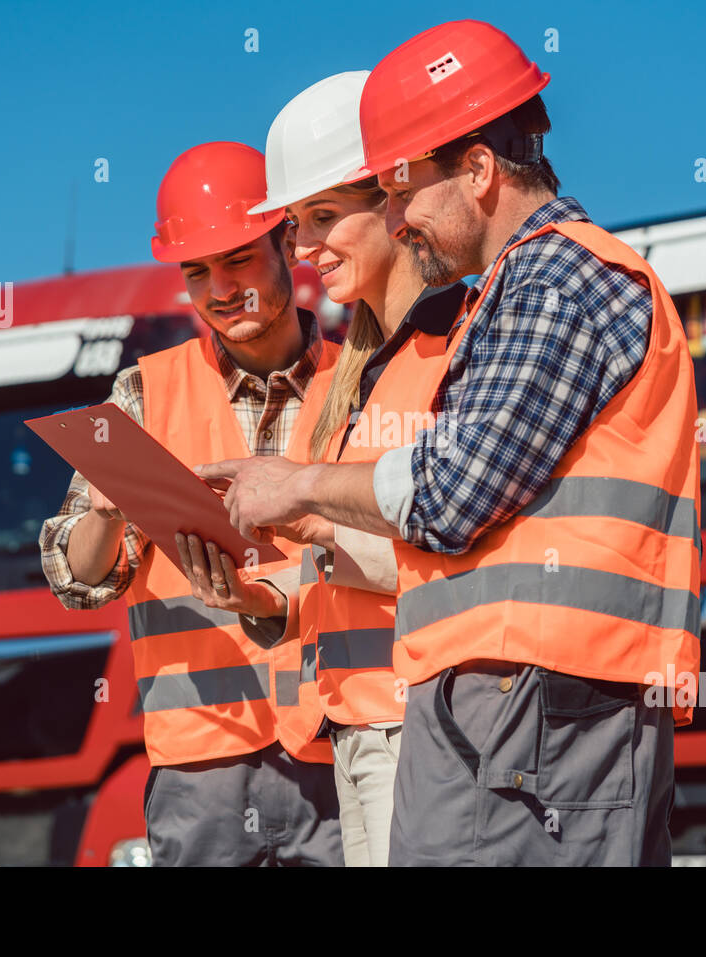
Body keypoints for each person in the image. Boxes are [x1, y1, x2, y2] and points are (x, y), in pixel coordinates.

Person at [200, 20, 702, 866]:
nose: (396, 219)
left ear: (476, 169)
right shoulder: (524, 287)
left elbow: (451, 492)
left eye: (401, 192)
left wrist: (299, 488)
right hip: (521, 705)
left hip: (538, 705)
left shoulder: (557, 281)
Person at [38, 141, 342, 866]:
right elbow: (75, 581)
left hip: (341, 741)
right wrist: (110, 511)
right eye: (197, 270)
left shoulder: (360, 379)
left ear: (286, 240)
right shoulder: (143, 394)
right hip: (202, 765)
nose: (218, 288)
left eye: (238, 259)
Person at [245, 71, 468, 866]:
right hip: (357, 730)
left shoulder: (464, 350)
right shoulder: (352, 376)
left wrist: (307, 516)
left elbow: (462, 555)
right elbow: (348, 568)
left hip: (431, 730)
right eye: (297, 224)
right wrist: (252, 590)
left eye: (325, 218)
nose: (302, 249)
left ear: (396, 201)